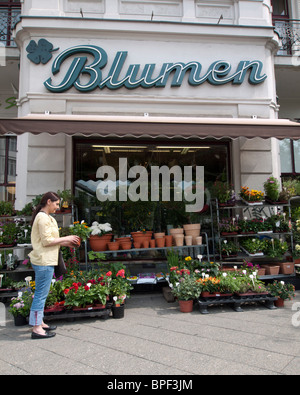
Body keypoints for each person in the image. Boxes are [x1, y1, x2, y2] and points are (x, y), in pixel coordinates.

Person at [29, 191, 80, 339]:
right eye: (56, 204)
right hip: (44, 261)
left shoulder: (46, 217)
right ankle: (37, 328)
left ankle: (39, 322)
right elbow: (46, 242)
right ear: (48, 202)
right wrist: (67, 238)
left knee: (42, 294)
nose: (58, 207)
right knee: (40, 294)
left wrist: (67, 242)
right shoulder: (43, 218)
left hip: (47, 259)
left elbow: (51, 240)